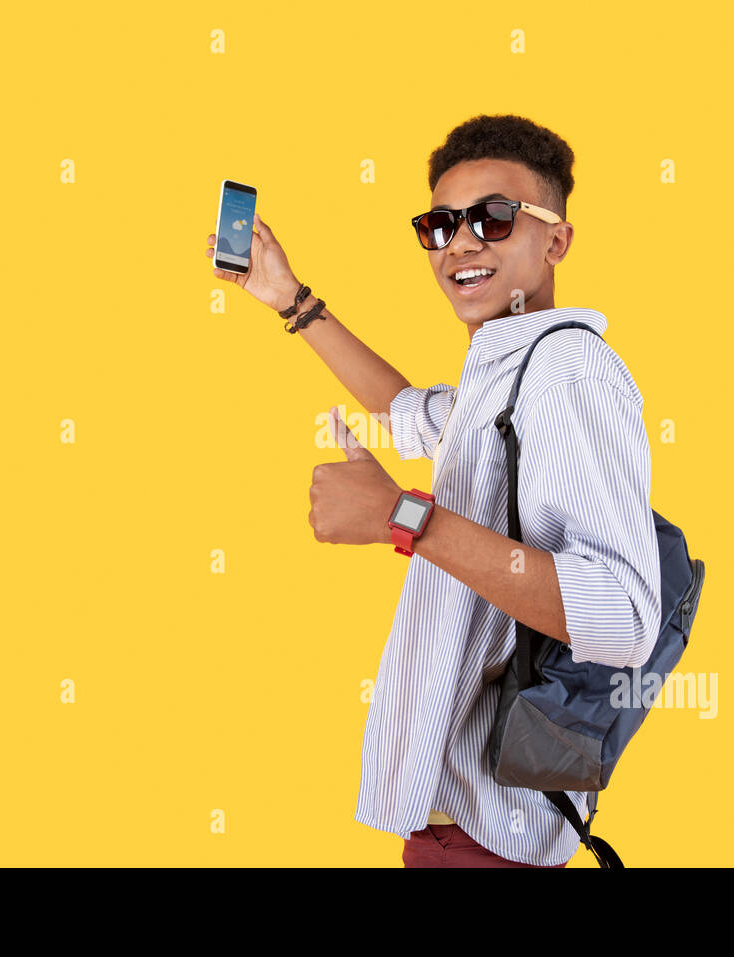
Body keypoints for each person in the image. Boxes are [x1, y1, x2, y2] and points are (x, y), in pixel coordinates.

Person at [205, 114, 662, 867]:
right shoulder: (513, 367)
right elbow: (409, 415)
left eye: (494, 217)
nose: (462, 243)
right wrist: (291, 301)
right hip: (467, 816)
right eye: (441, 224)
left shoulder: (568, 373)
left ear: (557, 240)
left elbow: (622, 616)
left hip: (492, 830)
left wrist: (401, 515)